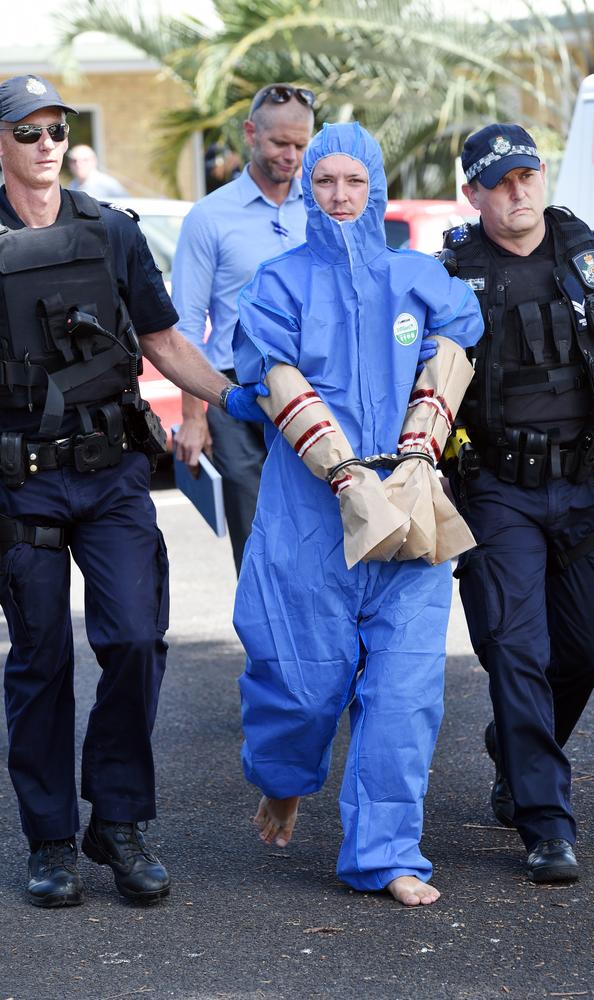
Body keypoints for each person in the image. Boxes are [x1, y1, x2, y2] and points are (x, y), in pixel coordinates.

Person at [0, 73, 266, 909]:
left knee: (137, 642)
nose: (48, 146)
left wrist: (237, 398)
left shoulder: (111, 231)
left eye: (57, 130)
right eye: (28, 132)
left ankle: (116, 822)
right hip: (22, 484)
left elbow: (161, 338)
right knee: (40, 661)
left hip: (113, 473)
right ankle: (49, 841)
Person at [232, 122, 483, 906]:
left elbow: (456, 342)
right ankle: (283, 779)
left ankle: (387, 855)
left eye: (354, 182)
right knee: (305, 684)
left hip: (410, 505)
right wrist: (342, 474)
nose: (339, 197)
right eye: (325, 181)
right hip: (311, 513)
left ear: (375, 186)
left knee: (406, 695)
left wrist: (417, 453)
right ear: (307, 186)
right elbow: (268, 375)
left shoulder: (419, 275)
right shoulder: (278, 281)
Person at [442, 123, 594, 884]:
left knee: (591, 648)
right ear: (474, 192)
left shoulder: (588, 252)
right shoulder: (454, 268)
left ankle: (517, 746)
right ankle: (546, 822)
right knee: (516, 649)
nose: (517, 190)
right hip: (497, 486)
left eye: (526, 174)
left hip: (585, 483)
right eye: (498, 181)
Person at [172, 83, 315, 574]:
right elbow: (186, 324)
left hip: (312, 388)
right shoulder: (210, 216)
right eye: (280, 144)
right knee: (256, 539)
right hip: (234, 395)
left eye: (301, 146)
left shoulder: (323, 210)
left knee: (319, 533)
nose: (291, 156)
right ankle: (267, 650)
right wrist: (193, 418)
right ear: (251, 134)